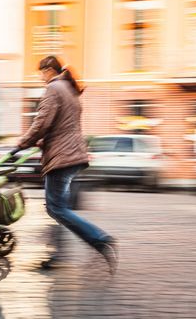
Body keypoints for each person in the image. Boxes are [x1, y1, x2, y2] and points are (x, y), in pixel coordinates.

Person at [17, 55, 119, 274]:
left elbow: (42, 121)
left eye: (40, 72)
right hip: (73, 156)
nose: (40, 77)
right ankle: (57, 254)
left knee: (57, 208)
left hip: (62, 158)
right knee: (59, 209)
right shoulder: (69, 89)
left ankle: (100, 239)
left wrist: (23, 142)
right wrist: (44, 141)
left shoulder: (54, 88)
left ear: (48, 70)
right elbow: (61, 125)